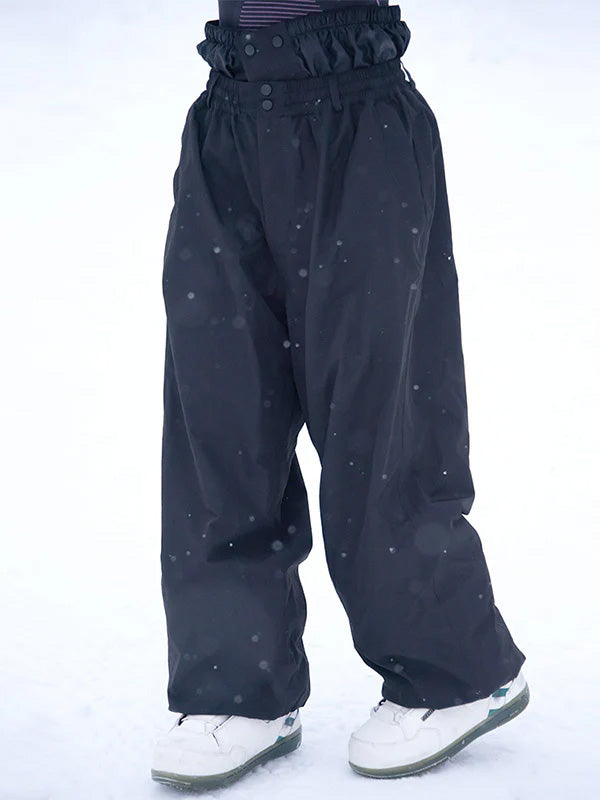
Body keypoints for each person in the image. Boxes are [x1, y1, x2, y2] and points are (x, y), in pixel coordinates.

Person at [151, 1, 529, 790]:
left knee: (378, 417)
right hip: (228, 117)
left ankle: (451, 673)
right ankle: (235, 688)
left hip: (355, 115)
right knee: (220, 413)